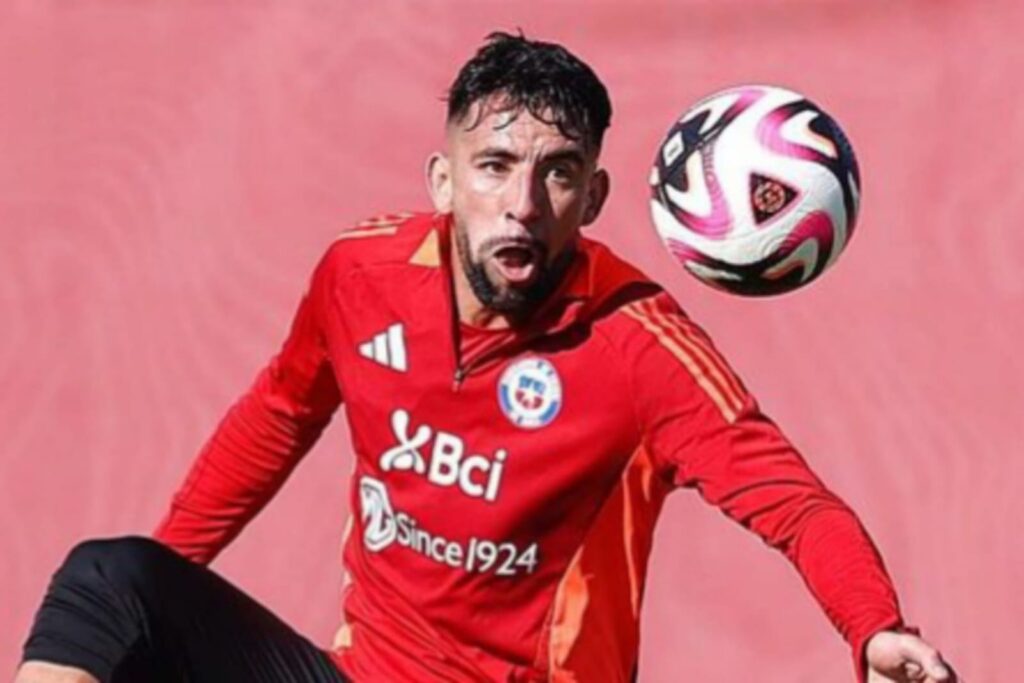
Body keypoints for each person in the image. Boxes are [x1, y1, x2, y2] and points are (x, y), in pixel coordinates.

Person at [17, 32, 956, 683]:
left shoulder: (643, 346)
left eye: (555, 172)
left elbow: (793, 503)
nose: (522, 203)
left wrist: (872, 623)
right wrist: (162, 601)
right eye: (495, 166)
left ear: (592, 198)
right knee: (111, 580)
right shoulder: (361, 274)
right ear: (444, 181)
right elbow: (278, 414)